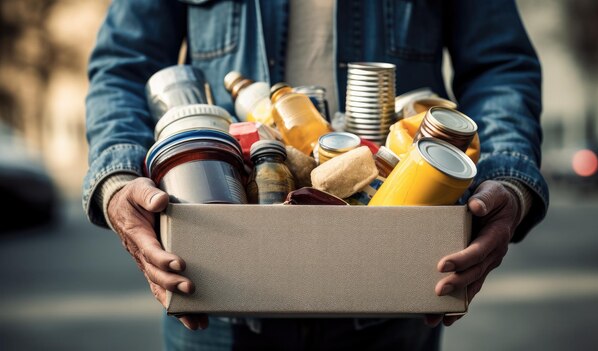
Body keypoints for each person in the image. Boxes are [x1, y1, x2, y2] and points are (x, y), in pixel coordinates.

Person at [82, 0, 549, 349]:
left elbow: (500, 66)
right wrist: (119, 179)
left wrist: (508, 179)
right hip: (216, 295)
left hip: (392, 293)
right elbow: (123, 67)